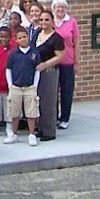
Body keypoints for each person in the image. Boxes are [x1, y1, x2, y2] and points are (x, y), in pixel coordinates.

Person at [31, 10, 65, 141]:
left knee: (48, 101)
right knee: (38, 100)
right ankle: (40, 128)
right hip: (36, 72)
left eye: (47, 20)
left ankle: (49, 131)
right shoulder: (37, 34)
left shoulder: (56, 38)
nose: (44, 22)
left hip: (49, 72)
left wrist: (45, 65)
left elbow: (60, 56)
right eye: (41, 20)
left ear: (52, 21)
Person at [5, 28, 39, 145]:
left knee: (31, 112)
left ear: (28, 37)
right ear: (16, 40)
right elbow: (8, 70)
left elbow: (37, 70)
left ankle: (31, 134)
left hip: (30, 87)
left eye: (24, 37)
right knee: (14, 112)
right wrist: (10, 85)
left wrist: (35, 85)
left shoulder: (34, 53)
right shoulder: (13, 54)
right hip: (16, 87)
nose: (22, 39)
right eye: (19, 38)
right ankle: (14, 134)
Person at [50, 0, 78, 128]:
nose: (60, 9)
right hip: (53, 61)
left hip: (67, 61)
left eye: (62, 7)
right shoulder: (50, 22)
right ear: (53, 9)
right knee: (52, 90)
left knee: (66, 90)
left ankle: (64, 118)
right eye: (57, 7)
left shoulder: (71, 22)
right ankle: (53, 116)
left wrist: (76, 62)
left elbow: (76, 43)